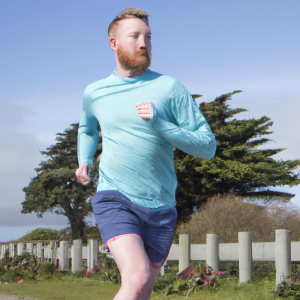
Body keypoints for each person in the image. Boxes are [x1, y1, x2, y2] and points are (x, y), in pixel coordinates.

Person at [76, 7, 216, 300]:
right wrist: (84, 161)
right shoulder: (95, 92)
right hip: (115, 196)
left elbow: (207, 147)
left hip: (161, 206)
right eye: (135, 36)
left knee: (142, 289)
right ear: (114, 43)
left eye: (148, 37)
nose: (144, 43)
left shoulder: (169, 88)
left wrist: (160, 124)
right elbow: (88, 129)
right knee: (138, 276)